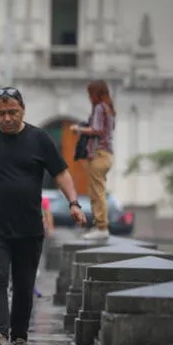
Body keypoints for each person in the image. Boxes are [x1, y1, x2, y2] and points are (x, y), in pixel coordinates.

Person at [0, 87, 86, 345]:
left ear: (23, 110)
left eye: (12, 112)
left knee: (25, 285)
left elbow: (60, 172)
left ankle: (20, 338)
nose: (6, 118)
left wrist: (73, 203)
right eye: (0, 113)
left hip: (29, 228)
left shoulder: (40, 139)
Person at [70, 80, 115, 240]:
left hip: (99, 154)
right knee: (97, 190)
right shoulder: (108, 109)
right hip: (106, 155)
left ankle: (101, 227)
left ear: (97, 94)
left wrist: (79, 129)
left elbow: (97, 130)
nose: (89, 97)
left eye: (91, 94)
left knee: (97, 191)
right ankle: (100, 225)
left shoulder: (99, 108)